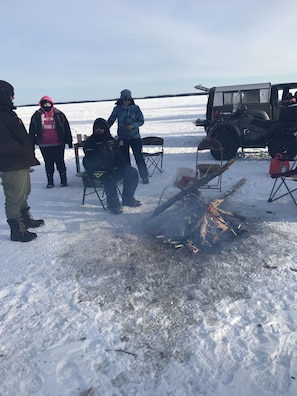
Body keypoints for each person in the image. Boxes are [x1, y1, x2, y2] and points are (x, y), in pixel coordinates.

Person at [0, 80, 44, 242]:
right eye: (11, 94)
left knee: (24, 193)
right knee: (14, 197)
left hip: (21, 162)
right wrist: (22, 150)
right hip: (11, 164)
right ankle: (17, 230)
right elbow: (3, 143)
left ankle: (26, 219)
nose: (13, 98)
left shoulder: (7, 112)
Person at [83, 118, 141, 214]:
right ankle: (114, 205)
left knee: (132, 172)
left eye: (101, 127)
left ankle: (128, 199)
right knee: (109, 179)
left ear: (105, 128)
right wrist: (103, 167)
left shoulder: (111, 140)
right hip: (98, 172)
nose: (99, 130)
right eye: (97, 127)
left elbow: (119, 156)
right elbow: (90, 160)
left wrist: (120, 165)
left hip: (113, 169)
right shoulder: (90, 142)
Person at [29, 95, 73, 188]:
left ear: (51, 104)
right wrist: (31, 143)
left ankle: (63, 180)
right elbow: (32, 130)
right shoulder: (37, 115)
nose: (46, 105)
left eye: (48, 103)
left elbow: (66, 127)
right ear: (41, 104)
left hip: (58, 143)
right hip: (44, 144)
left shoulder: (59, 114)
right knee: (48, 163)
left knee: (60, 162)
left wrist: (69, 140)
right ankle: (50, 181)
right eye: (44, 103)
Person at [107, 89, 149, 184]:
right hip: (123, 138)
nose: (126, 101)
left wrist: (133, 125)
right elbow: (111, 120)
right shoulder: (117, 109)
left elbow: (141, 121)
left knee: (139, 157)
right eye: (124, 100)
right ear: (121, 100)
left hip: (135, 138)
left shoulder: (135, 108)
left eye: (128, 100)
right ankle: (128, 177)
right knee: (125, 159)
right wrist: (104, 129)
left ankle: (144, 176)